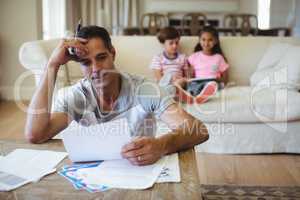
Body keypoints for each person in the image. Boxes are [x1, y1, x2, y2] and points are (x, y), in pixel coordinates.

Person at [25, 26, 209, 166]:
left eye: (101, 57)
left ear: (113, 54)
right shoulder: (77, 96)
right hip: (94, 176)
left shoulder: (144, 89)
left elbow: (198, 130)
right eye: (86, 62)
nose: (96, 69)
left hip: (139, 173)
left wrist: (162, 145)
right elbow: (36, 134)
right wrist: (52, 65)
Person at [177, 26, 229, 104]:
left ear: (215, 41)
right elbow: (187, 71)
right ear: (199, 40)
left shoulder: (218, 58)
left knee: (214, 85)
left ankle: (201, 95)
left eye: (210, 40)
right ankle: (194, 97)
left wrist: (219, 80)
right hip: (198, 82)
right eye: (203, 40)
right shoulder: (194, 56)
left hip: (212, 82)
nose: (206, 43)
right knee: (192, 85)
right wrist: (190, 74)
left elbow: (225, 78)